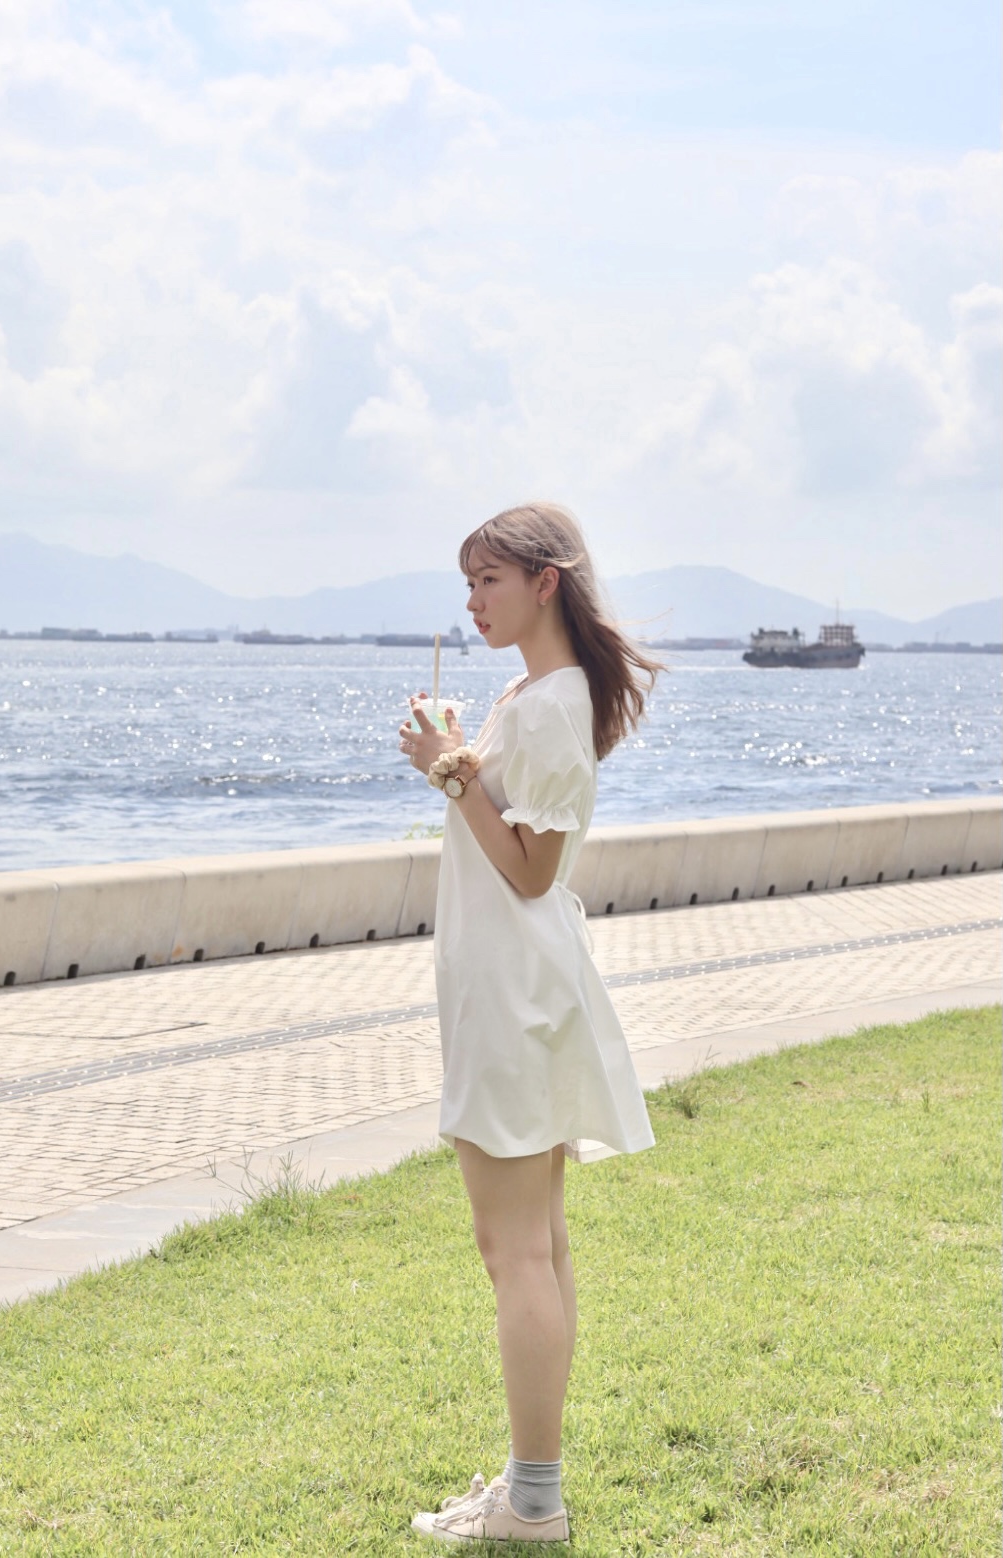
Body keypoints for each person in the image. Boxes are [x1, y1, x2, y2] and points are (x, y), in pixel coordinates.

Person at [397, 502, 663, 1545]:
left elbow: (529, 869)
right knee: (533, 1244)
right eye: (467, 583)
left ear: (545, 582)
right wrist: (462, 757)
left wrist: (448, 768)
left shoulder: (551, 706)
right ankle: (529, 1487)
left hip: (514, 988)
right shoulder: (533, 693)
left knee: (514, 1249)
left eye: (488, 580)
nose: (471, 602)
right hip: (512, 982)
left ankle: (533, 1502)